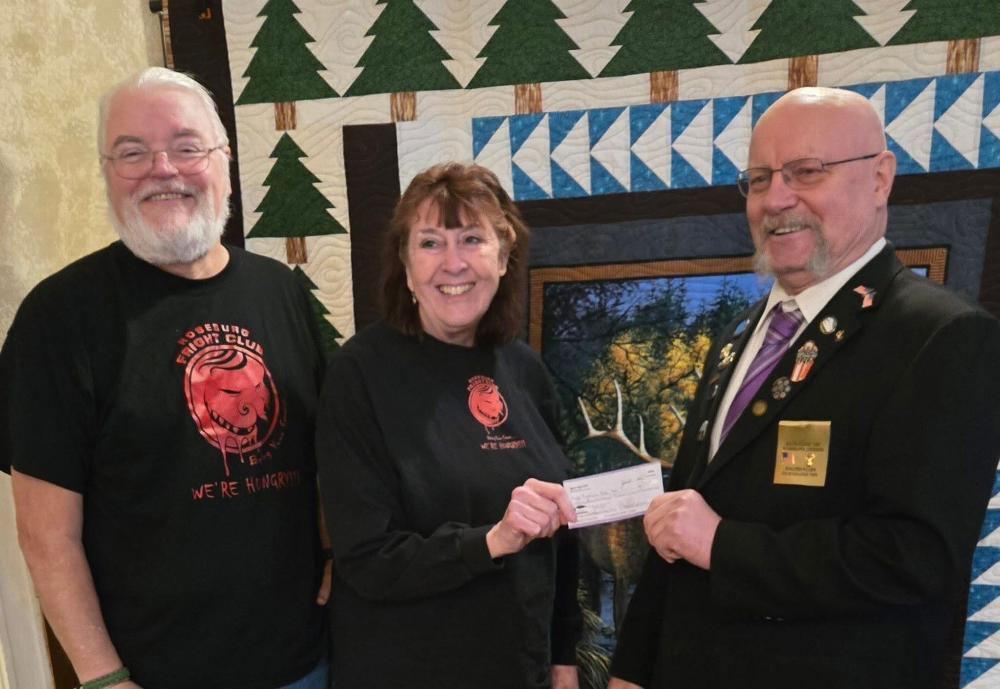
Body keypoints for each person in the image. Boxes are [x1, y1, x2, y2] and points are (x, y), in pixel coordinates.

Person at [609, 87, 1000, 689]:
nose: (776, 199)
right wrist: (632, 670)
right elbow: (685, 524)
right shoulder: (741, 337)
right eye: (759, 179)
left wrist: (725, 546)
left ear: (880, 178)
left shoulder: (943, 336)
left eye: (807, 172)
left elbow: (916, 559)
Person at [0, 67, 330, 689]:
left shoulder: (281, 291)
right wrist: (103, 679)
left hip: (309, 664)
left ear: (224, 162)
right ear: (106, 172)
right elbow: (45, 538)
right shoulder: (59, 317)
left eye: (186, 146)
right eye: (132, 152)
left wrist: (337, 544)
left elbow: (328, 447)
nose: (163, 168)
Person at [316, 162, 582, 689]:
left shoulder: (523, 368)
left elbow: (560, 534)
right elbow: (367, 559)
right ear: (406, 262)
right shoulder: (360, 374)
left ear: (504, 257)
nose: (453, 264)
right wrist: (491, 540)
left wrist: (563, 658)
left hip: (519, 669)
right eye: (431, 243)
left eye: (472, 239)